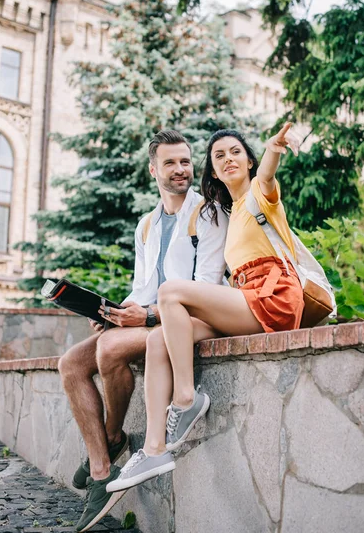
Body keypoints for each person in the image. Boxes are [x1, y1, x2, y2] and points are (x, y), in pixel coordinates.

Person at [106, 122, 305, 494]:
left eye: (235, 152)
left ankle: (185, 397)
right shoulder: (225, 211)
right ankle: (154, 449)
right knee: (158, 341)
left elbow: (267, 174)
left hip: (272, 299)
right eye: (218, 156)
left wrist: (274, 148)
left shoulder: (259, 193)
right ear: (212, 170)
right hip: (246, 300)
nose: (228, 159)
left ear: (248, 161)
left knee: (171, 292)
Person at [58, 130, 228, 533]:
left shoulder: (209, 214)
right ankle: (102, 471)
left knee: (111, 350)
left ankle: (114, 437)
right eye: (170, 163)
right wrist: (114, 311)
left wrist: (147, 317)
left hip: (187, 321)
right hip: (150, 315)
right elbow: (142, 288)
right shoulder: (146, 224)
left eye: (185, 161)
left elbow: (206, 288)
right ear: (154, 169)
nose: (180, 169)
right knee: (70, 364)